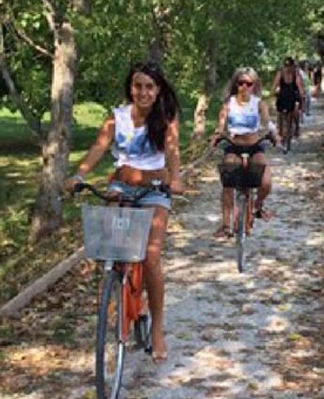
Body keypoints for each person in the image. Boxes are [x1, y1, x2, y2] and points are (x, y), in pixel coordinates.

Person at [64, 61, 183, 362]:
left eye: (149, 87)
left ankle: (156, 329)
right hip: (121, 187)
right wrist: (79, 175)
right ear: (130, 88)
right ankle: (121, 295)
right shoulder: (116, 118)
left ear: (157, 91)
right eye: (137, 86)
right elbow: (98, 148)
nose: (142, 92)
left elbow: (172, 153)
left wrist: (176, 177)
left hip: (154, 189)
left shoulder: (166, 119)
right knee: (114, 251)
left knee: (151, 255)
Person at [210, 67, 279, 239]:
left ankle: (258, 205)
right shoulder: (228, 104)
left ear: (254, 86)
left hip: (255, 144)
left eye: (248, 83)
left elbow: (267, 123)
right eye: (240, 83)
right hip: (234, 144)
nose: (244, 87)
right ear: (236, 84)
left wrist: (275, 135)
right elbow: (221, 125)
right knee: (228, 178)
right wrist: (216, 137)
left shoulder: (259, 104)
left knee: (266, 181)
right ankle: (226, 225)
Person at [271, 57, 304, 150]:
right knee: (279, 113)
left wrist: (301, 93)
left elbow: (299, 85)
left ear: (293, 66)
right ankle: (279, 132)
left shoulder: (296, 74)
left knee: (296, 110)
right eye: (286, 66)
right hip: (283, 95)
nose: (287, 68)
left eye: (289, 66)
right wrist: (272, 92)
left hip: (293, 95)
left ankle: (296, 127)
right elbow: (275, 84)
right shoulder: (280, 73)